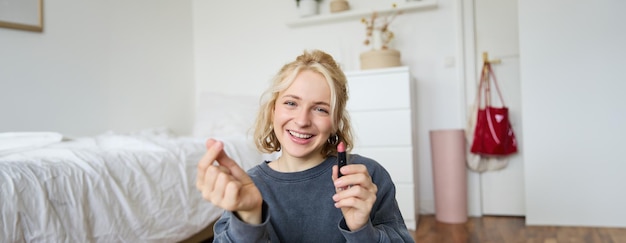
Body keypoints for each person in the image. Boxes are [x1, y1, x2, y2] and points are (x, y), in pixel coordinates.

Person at [195, 49, 414, 242]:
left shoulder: (367, 177)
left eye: (320, 109)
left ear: (336, 121)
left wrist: (363, 231)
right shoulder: (248, 187)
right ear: (273, 111)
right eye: (291, 103)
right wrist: (250, 219)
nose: (302, 120)